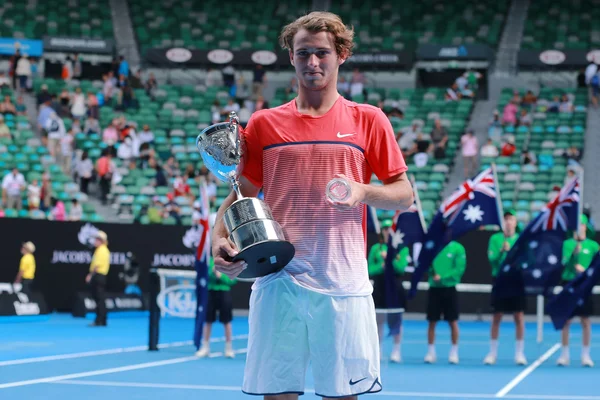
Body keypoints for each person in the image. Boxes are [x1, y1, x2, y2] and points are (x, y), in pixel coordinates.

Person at [211, 11, 413, 399]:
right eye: (303, 53)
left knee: (342, 395)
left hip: (342, 282)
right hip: (277, 278)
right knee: (277, 395)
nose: (313, 63)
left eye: (322, 53)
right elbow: (243, 189)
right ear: (291, 57)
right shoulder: (264, 123)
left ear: (342, 55)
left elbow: (403, 193)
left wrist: (362, 191)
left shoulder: (369, 120)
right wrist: (218, 237)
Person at [484, 210, 527, 365]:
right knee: (497, 316)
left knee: (519, 316)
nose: (508, 222)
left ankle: (519, 353)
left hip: (516, 280)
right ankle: (492, 353)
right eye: (506, 219)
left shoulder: (521, 240)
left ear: (515, 222)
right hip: (500, 280)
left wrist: (513, 254)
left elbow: (526, 261)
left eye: (511, 219)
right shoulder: (495, 239)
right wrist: (501, 251)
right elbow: (491, 260)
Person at [556, 215, 599, 367]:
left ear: (585, 227)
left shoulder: (593, 246)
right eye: (576, 225)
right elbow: (561, 264)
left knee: (585, 320)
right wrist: (572, 256)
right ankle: (564, 355)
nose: (578, 227)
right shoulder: (567, 244)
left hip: (585, 285)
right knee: (566, 320)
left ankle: (586, 355)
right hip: (569, 284)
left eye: (581, 224)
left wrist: (586, 271)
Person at [367, 219, 409, 363]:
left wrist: (390, 260)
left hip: (395, 287)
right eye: (385, 229)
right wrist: (381, 266)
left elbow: (401, 268)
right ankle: (378, 349)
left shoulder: (402, 248)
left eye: (390, 229)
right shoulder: (375, 249)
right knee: (378, 320)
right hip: (379, 287)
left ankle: (396, 350)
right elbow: (369, 269)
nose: (387, 232)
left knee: (396, 319)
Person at [424, 241, 466, 365]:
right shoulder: (432, 245)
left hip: (449, 288)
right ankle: (431, 352)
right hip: (434, 288)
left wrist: (443, 277)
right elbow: (424, 263)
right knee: (432, 321)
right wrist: (432, 274)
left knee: (452, 321)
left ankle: (454, 352)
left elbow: (459, 269)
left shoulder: (458, 248)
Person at [195, 257, 237, 359]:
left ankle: (228, 348)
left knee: (226, 321)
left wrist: (220, 276)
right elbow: (204, 276)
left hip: (224, 292)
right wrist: (213, 273)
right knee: (208, 320)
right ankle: (205, 347)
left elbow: (232, 280)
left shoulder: (230, 261)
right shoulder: (209, 261)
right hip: (210, 292)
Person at [86, 231, 110, 327]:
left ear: (101, 240)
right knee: (100, 299)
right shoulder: (101, 250)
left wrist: (90, 275)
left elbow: (96, 266)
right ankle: (102, 319)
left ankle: (100, 320)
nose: (95, 241)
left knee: (99, 299)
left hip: (99, 276)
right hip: (100, 276)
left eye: (97, 239)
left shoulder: (101, 250)